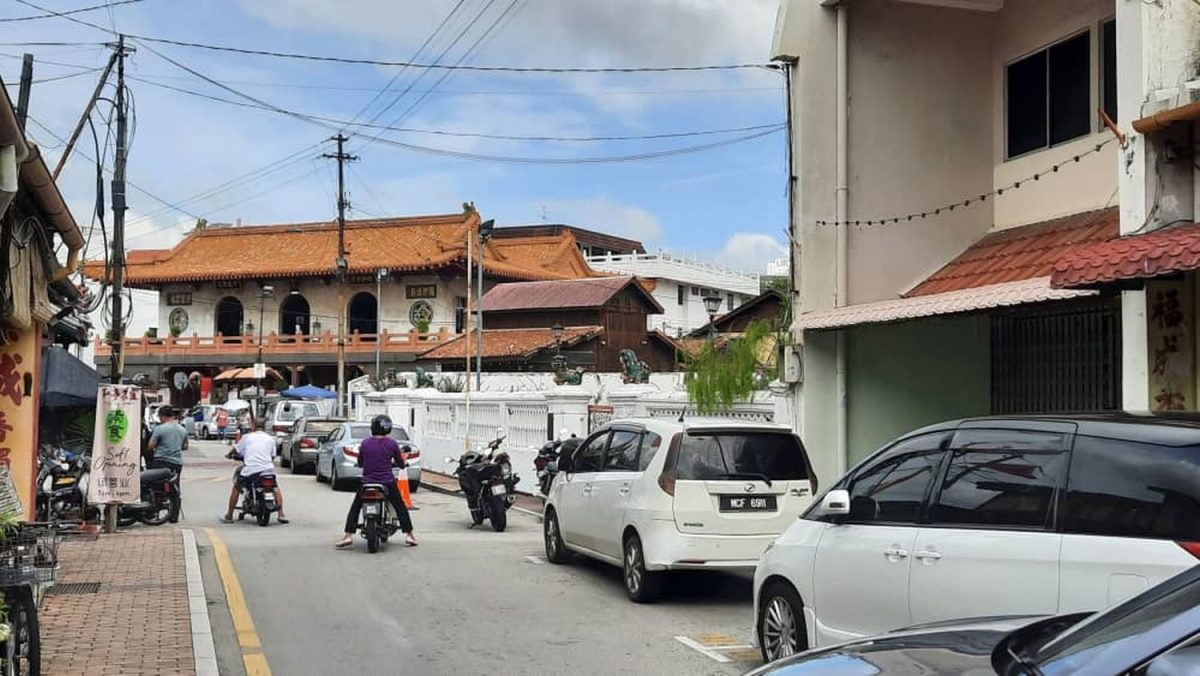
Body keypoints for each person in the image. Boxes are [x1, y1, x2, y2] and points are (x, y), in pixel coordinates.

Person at [336, 415, 416, 548]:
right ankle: (409, 535)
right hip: (387, 482)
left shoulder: (365, 443)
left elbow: (360, 462)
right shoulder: (392, 443)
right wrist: (402, 464)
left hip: (367, 482)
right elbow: (400, 462)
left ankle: (348, 535)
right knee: (400, 506)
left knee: (355, 507)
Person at [220, 417, 288, 524]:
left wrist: (229, 455)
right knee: (275, 488)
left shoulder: (247, 437)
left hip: (251, 470)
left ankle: (229, 515)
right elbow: (273, 456)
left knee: (237, 487)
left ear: (253, 426)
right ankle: (281, 514)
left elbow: (236, 449)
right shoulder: (270, 439)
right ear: (264, 427)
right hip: (268, 469)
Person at [147, 406, 188, 524]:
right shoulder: (182, 429)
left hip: (161, 461)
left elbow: (151, 445)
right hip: (176, 463)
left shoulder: (159, 429)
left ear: (162, 416)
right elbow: (185, 447)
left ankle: (152, 513)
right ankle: (174, 516)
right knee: (174, 488)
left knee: (155, 487)